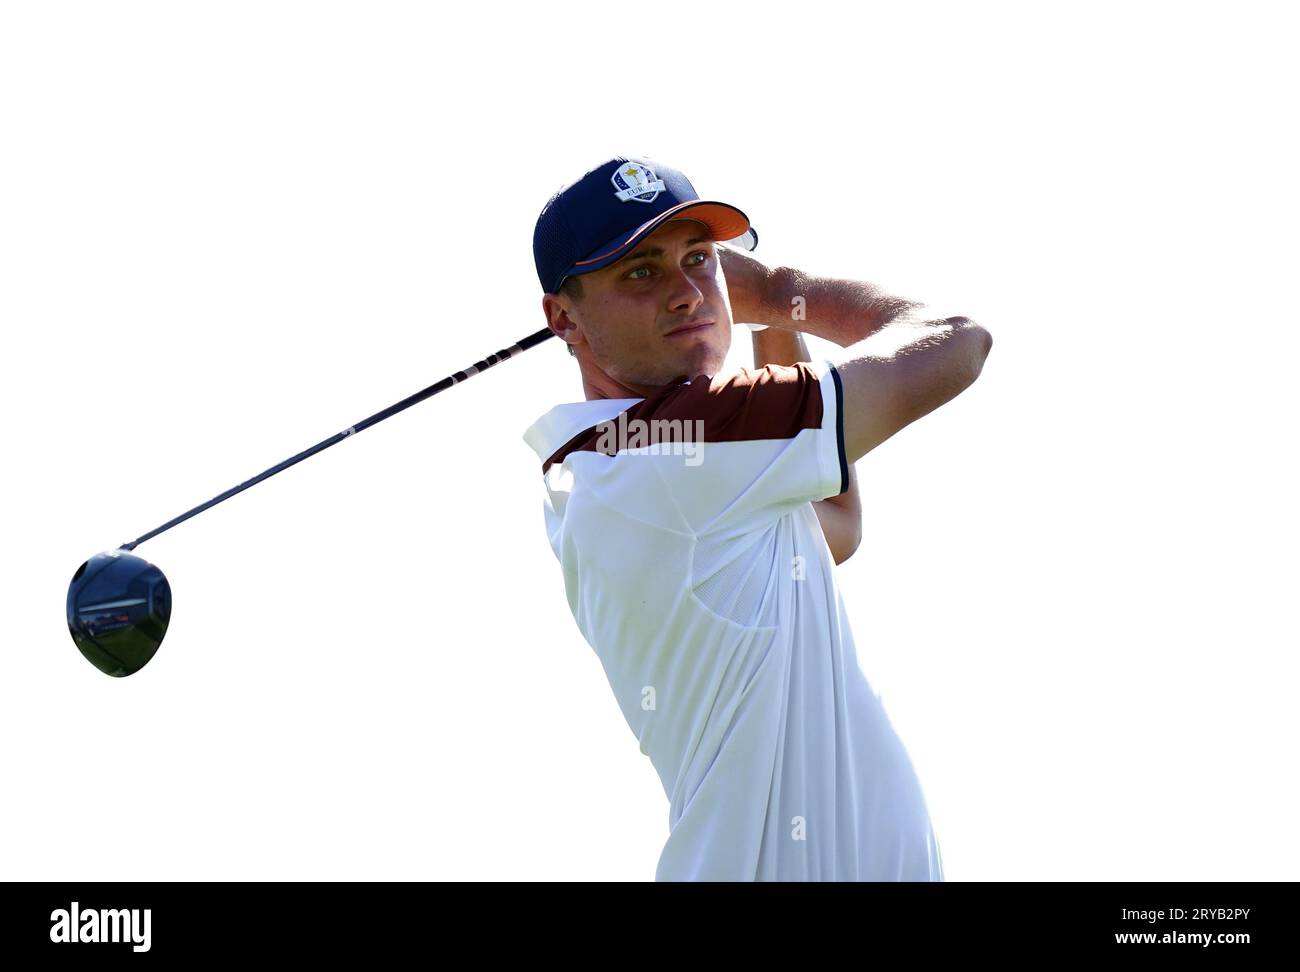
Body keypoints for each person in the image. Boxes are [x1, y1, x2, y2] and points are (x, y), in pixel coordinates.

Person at [524, 156, 992, 880]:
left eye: (700, 260)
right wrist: (779, 292)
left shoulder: (617, 461)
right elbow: (957, 343)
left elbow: (832, 527)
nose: (688, 293)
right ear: (564, 319)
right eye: (641, 272)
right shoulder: (684, 443)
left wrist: (770, 317)